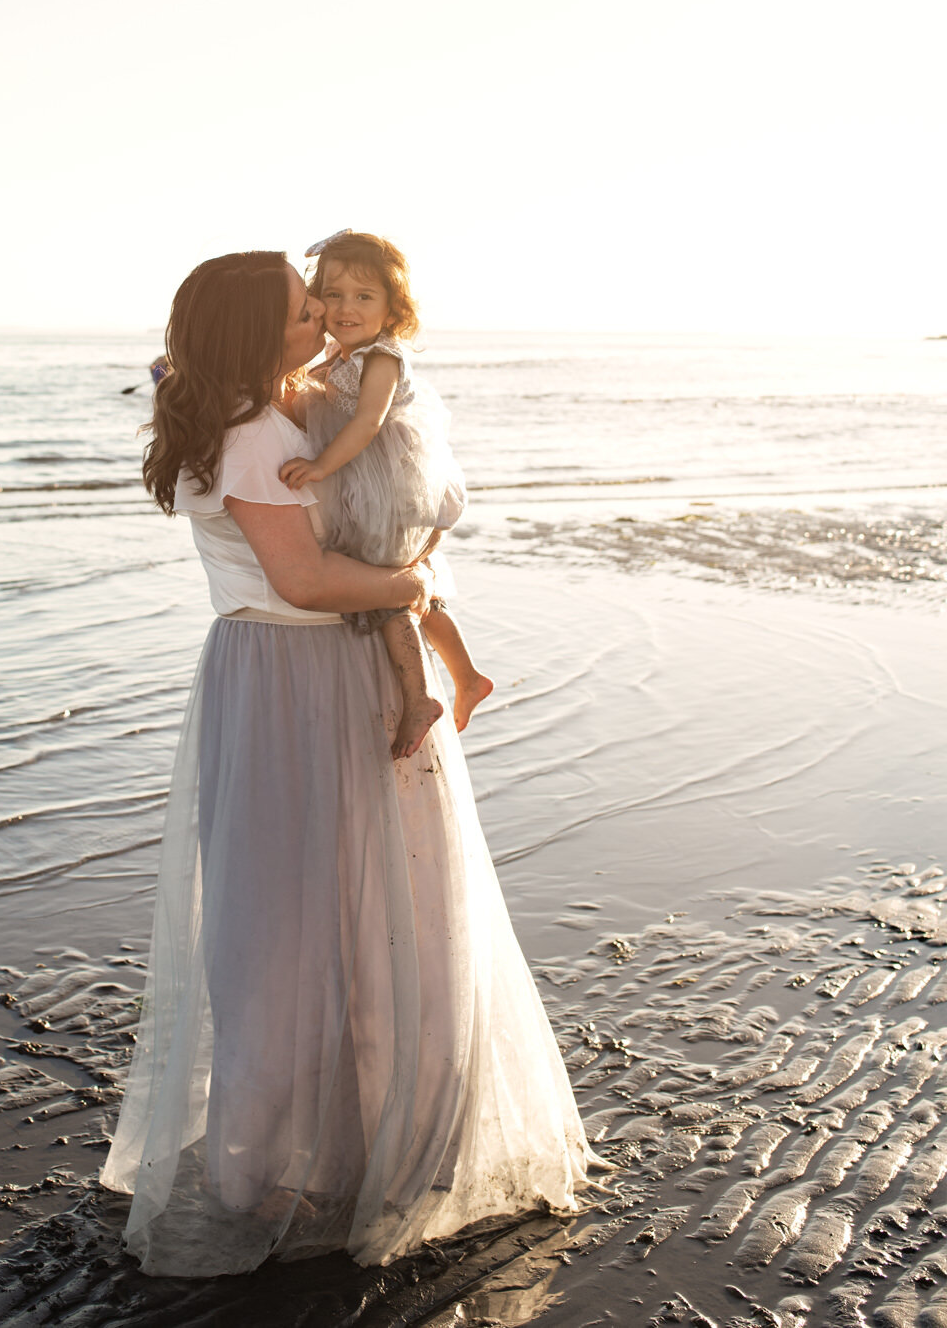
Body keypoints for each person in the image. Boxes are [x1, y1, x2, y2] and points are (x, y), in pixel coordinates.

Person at [99, 250, 606, 1278]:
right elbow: (306, 575)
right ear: (252, 332)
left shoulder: (280, 408)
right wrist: (415, 582)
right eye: (300, 309)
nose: (322, 316)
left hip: (314, 671)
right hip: (297, 677)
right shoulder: (253, 432)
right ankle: (295, 1157)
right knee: (299, 925)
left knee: (360, 912)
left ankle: (363, 1137)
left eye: (327, 302)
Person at [279, 230, 492, 760]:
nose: (346, 307)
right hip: (370, 479)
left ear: (393, 307)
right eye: (334, 294)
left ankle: (420, 696)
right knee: (401, 579)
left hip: (390, 483)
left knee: (385, 585)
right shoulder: (338, 355)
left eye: (364, 296)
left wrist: (320, 464)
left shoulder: (382, 357)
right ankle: (467, 677)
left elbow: (368, 422)